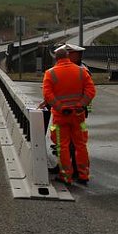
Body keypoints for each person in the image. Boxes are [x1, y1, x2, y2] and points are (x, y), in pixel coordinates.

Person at [42, 44, 97, 186]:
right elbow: (91, 91)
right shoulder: (81, 71)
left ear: (55, 58)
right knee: (81, 145)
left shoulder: (50, 73)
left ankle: (66, 176)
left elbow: (48, 95)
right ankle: (83, 175)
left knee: (62, 146)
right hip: (79, 116)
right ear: (67, 56)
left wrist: (61, 107)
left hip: (61, 117)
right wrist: (81, 105)